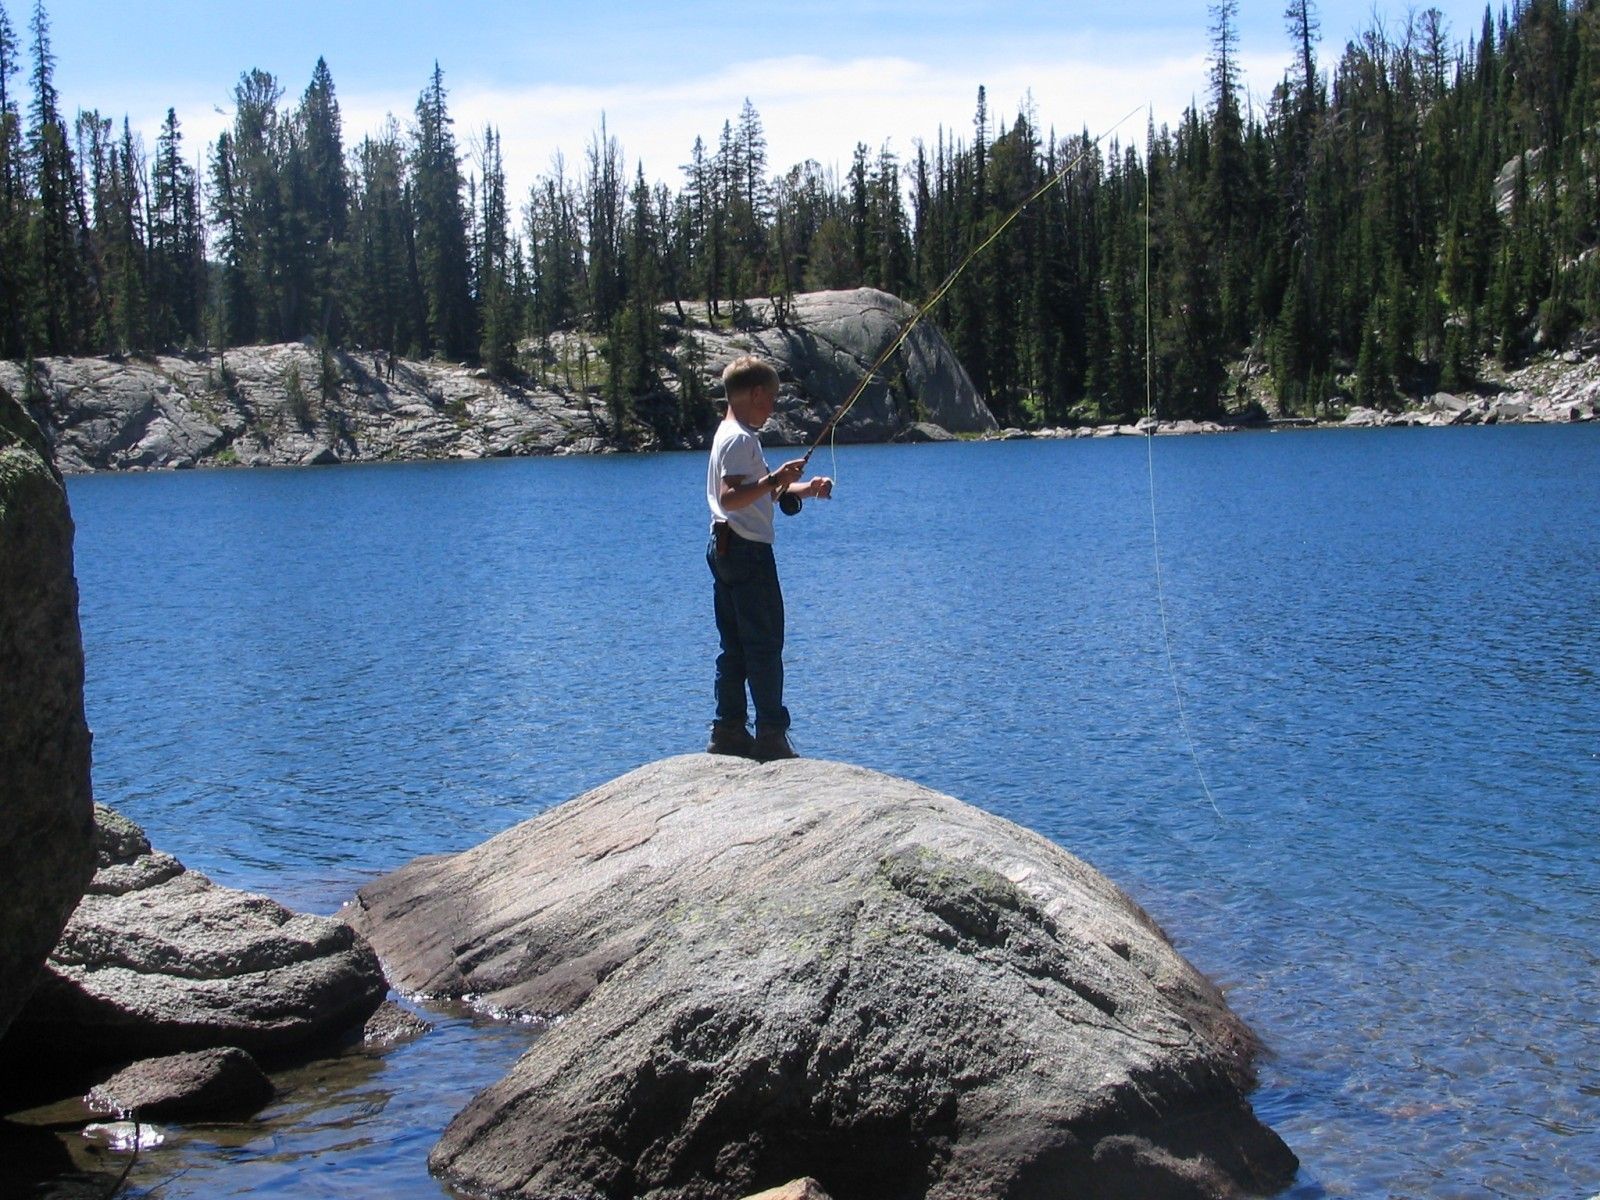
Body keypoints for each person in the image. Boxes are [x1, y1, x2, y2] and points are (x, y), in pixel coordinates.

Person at [705, 356, 832, 761]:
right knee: (764, 644)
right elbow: (732, 496)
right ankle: (771, 736)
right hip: (747, 551)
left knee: (734, 647)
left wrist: (804, 488)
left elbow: (754, 495)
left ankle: (728, 730)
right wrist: (775, 479)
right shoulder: (741, 439)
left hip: (724, 547)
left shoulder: (727, 432)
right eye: (772, 399)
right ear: (756, 394)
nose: (773, 407)